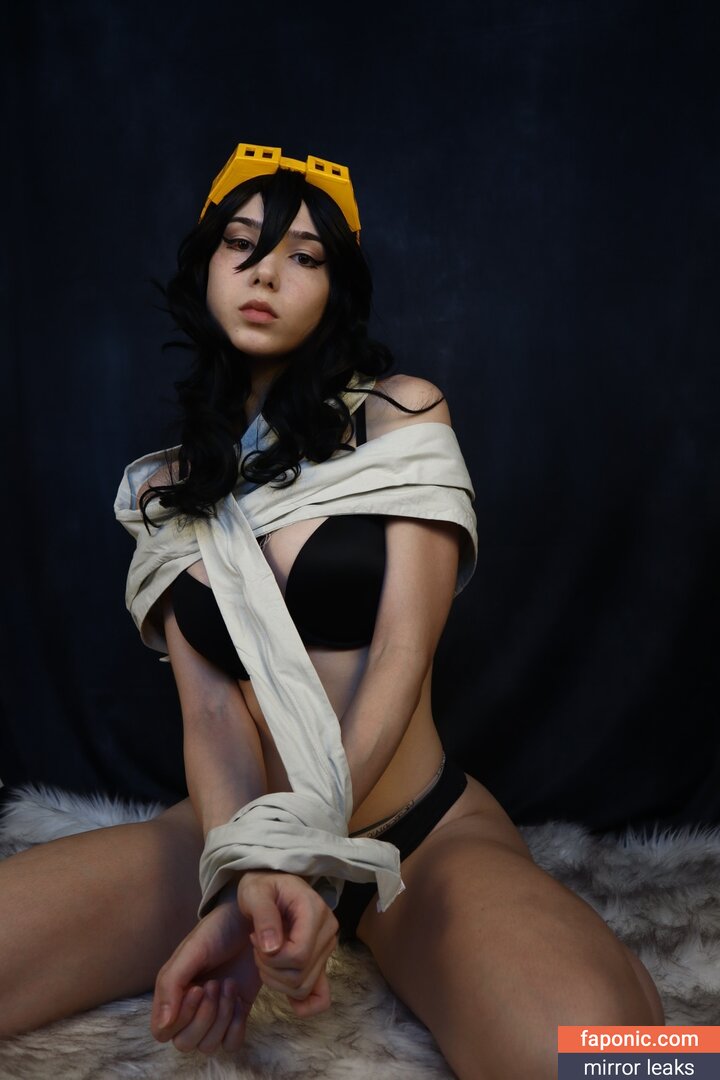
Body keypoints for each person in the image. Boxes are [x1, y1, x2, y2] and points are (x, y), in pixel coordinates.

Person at [0, 142, 664, 1079]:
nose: (266, 272)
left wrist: (310, 848)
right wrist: (248, 876)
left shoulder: (402, 415)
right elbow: (213, 714)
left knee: (607, 1057)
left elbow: (400, 651)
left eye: (304, 256)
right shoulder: (165, 488)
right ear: (206, 266)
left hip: (414, 835)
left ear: (335, 289)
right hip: (233, 839)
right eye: (242, 244)